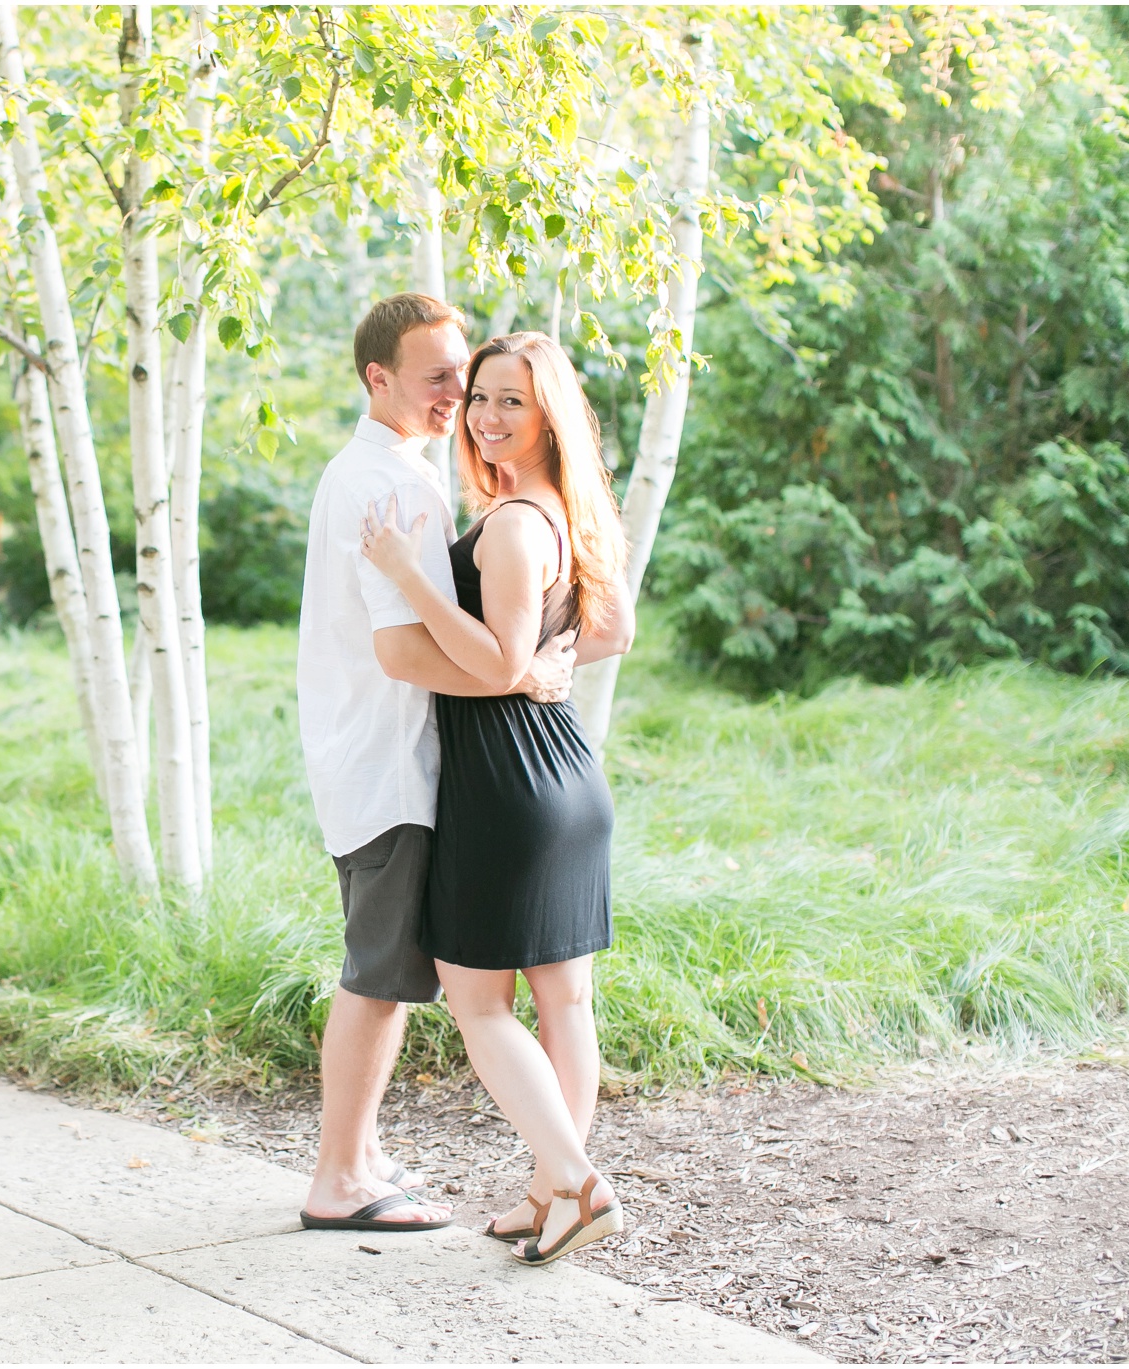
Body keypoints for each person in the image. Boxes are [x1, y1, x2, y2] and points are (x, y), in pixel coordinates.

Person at [295, 296, 577, 1232]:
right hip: (385, 759)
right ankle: (339, 1177)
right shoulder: (399, 487)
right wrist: (519, 674)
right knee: (380, 974)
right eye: (438, 377)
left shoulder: (380, 471)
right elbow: (404, 652)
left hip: (372, 755)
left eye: (463, 373)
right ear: (378, 380)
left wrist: (526, 660)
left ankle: (363, 1156)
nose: (458, 395)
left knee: (393, 967)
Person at [359, 330, 636, 1265]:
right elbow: (613, 631)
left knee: (482, 1005)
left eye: (510, 399)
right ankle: (546, 1190)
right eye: (479, 395)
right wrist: (549, 661)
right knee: (565, 1003)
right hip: (563, 775)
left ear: (547, 413)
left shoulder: (517, 522)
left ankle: (579, 1184)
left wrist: (409, 576)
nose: (485, 415)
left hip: (508, 784)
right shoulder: (567, 511)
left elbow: (495, 659)